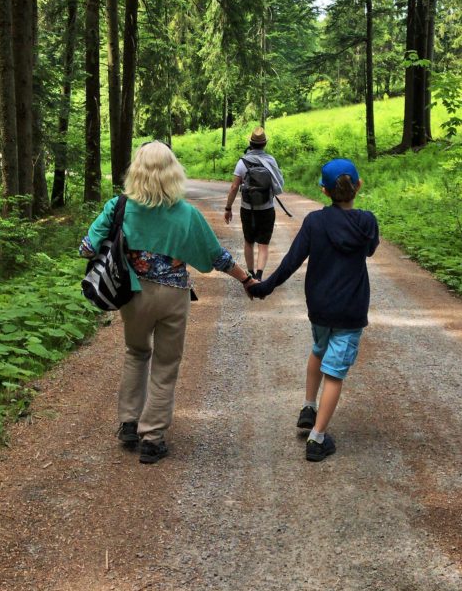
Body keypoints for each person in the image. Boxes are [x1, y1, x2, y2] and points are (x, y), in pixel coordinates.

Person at [80, 141, 254, 464]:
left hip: (132, 295)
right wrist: (245, 278)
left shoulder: (118, 206)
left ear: (137, 171)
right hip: (173, 296)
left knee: (136, 352)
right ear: (173, 172)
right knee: (165, 363)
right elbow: (218, 257)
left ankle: (129, 423)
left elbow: (87, 248)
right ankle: (152, 437)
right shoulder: (187, 214)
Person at [249, 158, 379, 462]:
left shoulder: (314, 222)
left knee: (319, 348)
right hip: (350, 310)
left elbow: (291, 261)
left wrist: (264, 286)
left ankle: (309, 406)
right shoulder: (367, 222)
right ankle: (317, 438)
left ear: (324, 190)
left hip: (319, 307)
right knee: (334, 372)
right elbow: (370, 249)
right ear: (358, 186)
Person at [224, 127, 284, 280]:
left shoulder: (242, 162)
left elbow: (234, 187)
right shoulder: (270, 161)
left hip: (247, 209)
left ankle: (250, 274)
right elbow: (278, 184)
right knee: (263, 244)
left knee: (249, 242)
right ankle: (259, 275)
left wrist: (228, 207)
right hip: (267, 208)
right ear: (264, 144)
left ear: (250, 143)